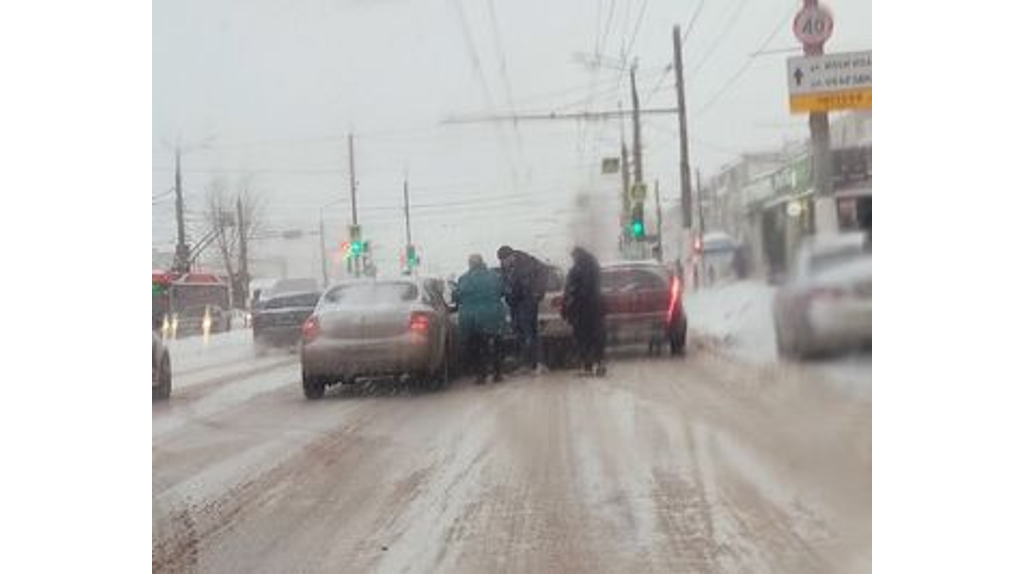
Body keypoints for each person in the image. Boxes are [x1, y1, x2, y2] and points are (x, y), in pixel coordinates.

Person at [453, 254, 507, 384]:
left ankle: (481, 374)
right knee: (497, 344)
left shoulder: (464, 279)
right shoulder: (494, 276)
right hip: (493, 315)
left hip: (473, 318)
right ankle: (498, 373)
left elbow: (456, 296)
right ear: (483, 262)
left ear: (470, 264)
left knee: (477, 346)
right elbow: (502, 291)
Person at [496, 245, 547, 374]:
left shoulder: (527, 262)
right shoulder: (505, 267)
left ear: (512, 256)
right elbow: (505, 282)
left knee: (530, 332)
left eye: (505, 259)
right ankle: (526, 364)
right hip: (514, 302)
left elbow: (543, 272)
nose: (503, 263)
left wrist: (537, 292)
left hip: (527, 301)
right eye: (502, 261)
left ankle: (538, 363)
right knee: (519, 333)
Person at [561, 246, 606, 376]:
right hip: (594, 308)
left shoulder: (577, 270)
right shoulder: (593, 267)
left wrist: (569, 303)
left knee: (583, 338)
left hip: (581, 309)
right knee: (596, 337)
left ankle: (588, 364)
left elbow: (570, 290)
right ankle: (598, 362)